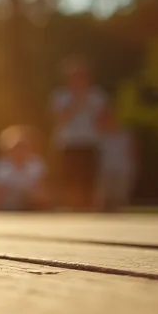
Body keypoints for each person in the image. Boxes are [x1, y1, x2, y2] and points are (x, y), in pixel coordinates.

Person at [49, 57, 108, 210]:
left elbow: (104, 121)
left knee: (89, 178)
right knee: (70, 178)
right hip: (69, 142)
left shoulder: (97, 96)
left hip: (90, 141)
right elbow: (60, 119)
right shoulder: (60, 96)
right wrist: (76, 101)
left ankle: (89, 207)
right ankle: (71, 207)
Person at [0, 124, 50, 211]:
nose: (20, 150)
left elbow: (43, 191)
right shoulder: (0, 166)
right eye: (17, 147)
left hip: (31, 205)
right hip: (7, 206)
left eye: (23, 146)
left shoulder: (37, 164)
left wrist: (27, 197)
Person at [96, 110, 137, 212]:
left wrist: (134, 168)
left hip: (123, 169)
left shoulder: (125, 135)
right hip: (105, 170)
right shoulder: (99, 136)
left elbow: (134, 152)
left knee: (120, 197)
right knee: (105, 197)